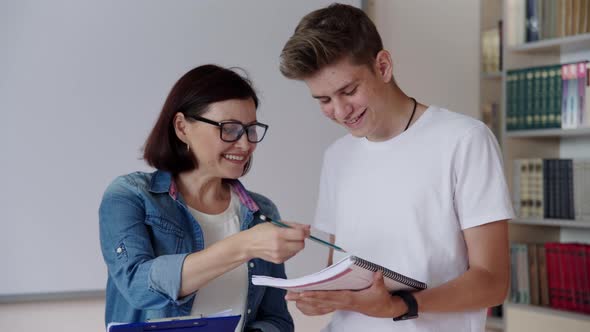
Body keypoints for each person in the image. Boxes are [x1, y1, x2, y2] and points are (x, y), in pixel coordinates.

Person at [279, 3, 514, 332]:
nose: (341, 110)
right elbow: (342, 272)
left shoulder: (464, 140)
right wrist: (322, 295)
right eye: (323, 100)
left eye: (349, 91)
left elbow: (492, 282)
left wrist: (401, 305)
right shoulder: (337, 156)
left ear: (384, 66)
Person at [99, 64, 309, 332]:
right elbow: (137, 286)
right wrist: (244, 245)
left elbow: (276, 319)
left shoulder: (262, 211)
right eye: (230, 129)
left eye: (251, 129)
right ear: (182, 127)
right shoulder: (130, 195)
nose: (245, 144)